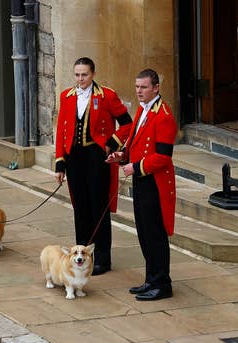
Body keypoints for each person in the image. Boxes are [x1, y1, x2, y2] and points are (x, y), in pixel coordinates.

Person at [54, 57, 133, 276]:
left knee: (99, 208)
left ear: (93, 74)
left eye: (85, 75)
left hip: (97, 158)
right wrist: (60, 163)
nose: (80, 79)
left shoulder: (106, 96)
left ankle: (103, 259)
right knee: (80, 207)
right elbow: (61, 130)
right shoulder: (66, 96)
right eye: (77, 75)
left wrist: (112, 143)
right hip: (75, 158)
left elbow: (127, 123)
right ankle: (82, 256)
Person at [106, 69, 177, 301]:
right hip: (142, 181)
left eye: (144, 87)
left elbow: (163, 156)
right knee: (144, 233)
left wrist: (135, 167)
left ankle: (162, 284)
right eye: (137, 87)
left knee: (155, 234)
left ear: (156, 88)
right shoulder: (142, 110)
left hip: (155, 183)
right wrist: (121, 156)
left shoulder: (163, 115)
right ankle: (151, 279)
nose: (139, 91)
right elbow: (135, 143)